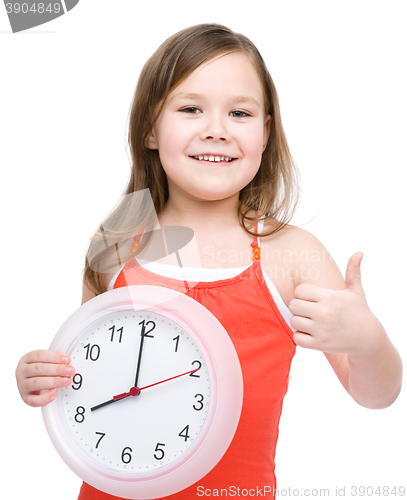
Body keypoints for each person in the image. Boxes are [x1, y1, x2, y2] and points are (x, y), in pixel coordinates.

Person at [15, 23, 402, 499]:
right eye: (191, 108)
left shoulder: (290, 256)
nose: (216, 129)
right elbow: (87, 374)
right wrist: (40, 378)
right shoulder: (115, 246)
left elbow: (377, 395)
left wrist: (368, 342)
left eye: (239, 112)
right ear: (151, 129)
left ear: (265, 133)